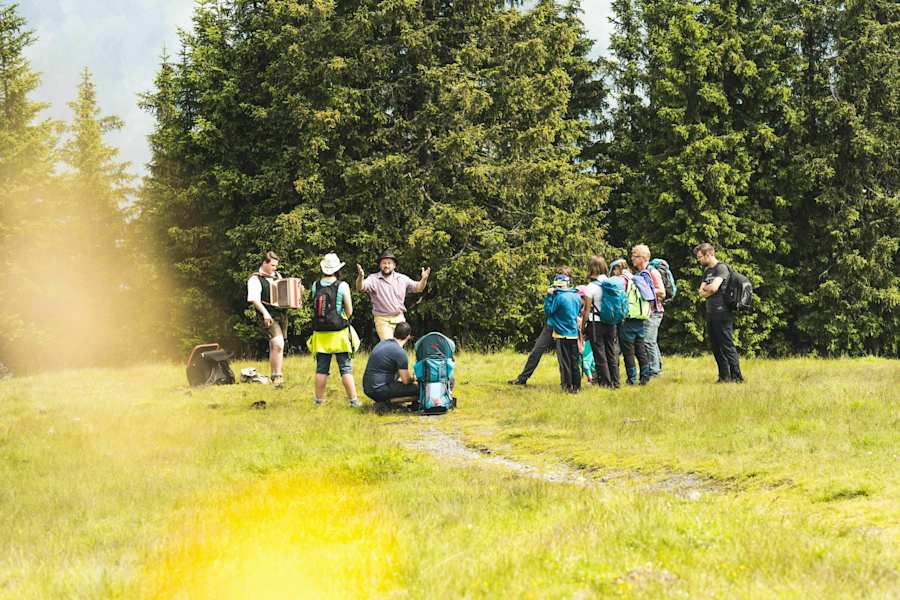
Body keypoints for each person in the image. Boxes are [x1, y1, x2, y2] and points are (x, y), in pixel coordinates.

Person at [307, 253, 362, 406]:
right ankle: (354, 401)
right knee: (345, 368)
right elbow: (349, 311)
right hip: (339, 334)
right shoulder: (342, 286)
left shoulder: (315, 285)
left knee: (321, 369)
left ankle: (318, 401)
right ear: (337, 269)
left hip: (320, 334)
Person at [247, 251, 299, 389]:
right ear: (264, 263)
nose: (275, 268)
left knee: (276, 345)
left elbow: (282, 297)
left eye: (276, 265)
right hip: (266, 315)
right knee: (278, 343)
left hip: (281, 314)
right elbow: (255, 300)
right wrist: (265, 314)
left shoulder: (277, 276)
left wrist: (293, 302)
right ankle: (277, 376)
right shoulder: (255, 279)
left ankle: (275, 374)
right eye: (273, 265)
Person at [695, 243, 744, 383]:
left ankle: (737, 377)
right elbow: (701, 291)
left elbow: (713, 288)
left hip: (723, 312)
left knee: (727, 345)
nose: (699, 260)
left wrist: (707, 290)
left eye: (700, 257)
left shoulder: (721, 268)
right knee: (715, 345)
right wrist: (706, 291)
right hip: (710, 312)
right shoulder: (707, 271)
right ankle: (724, 377)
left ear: (709, 254)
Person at [356, 251, 431, 340]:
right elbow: (360, 287)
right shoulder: (373, 279)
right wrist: (360, 277)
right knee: (389, 345)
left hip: (399, 318)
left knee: (399, 346)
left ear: (394, 265)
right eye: (384, 263)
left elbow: (418, 288)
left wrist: (424, 279)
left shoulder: (402, 278)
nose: (386, 265)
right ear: (380, 265)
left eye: (389, 263)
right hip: (382, 319)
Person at [610, 258, 650, 385]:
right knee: (641, 349)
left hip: (627, 319)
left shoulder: (622, 280)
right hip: (640, 317)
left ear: (617, 268)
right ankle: (645, 376)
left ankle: (631, 379)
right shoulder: (636, 278)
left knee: (628, 351)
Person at [544, 268, 584, 393]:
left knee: (565, 362)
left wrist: (549, 297)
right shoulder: (576, 296)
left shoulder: (559, 297)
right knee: (574, 361)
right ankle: (577, 386)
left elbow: (549, 311)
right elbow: (577, 312)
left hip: (561, 334)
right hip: (573, 333)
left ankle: (567, 386)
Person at [362, 322, 419, 409]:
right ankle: (387, 403)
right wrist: (414, 379)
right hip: (379, 389)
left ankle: (386, 402)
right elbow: (406, 381)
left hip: (368, 388)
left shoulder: (382, 343)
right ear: (408, 336)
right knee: (419, 389)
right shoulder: (400, 352)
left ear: (394, 332)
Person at [582, 255, 620, 388]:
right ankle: (616, 381)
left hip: (595, 323)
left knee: (600, 354)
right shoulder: (612, 283)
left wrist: (583, 327)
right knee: (611, 352)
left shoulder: (591, 287)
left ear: (592, 269)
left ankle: (605, 383)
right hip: (611, 321)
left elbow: (586, 311)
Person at [631, 244, 666, 377]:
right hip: (646, 312)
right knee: (651, 340)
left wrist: (644, 289)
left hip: (655, 312)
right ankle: (657, 367)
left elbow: (662, 292)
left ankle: (654, 371)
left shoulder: (652, 272)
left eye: (635, 256)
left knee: (648, 341)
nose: (632, 258)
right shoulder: (640, 273)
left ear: (643, 257)